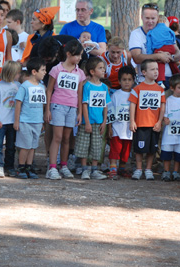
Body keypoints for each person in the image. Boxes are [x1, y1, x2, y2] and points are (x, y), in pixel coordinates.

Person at [45, 40, 86, 180]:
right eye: (78, 55)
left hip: (72, 108)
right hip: (57, 106)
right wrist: (48, 110)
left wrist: (79, 112)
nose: (79, 58)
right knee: (57, 137)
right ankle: (52, 167)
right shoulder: (56, 69)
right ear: (68, 54)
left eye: (81, 56)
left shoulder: (80, 73)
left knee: (67, 138)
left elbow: (80, 94)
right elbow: (49, 90)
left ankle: (64, 165)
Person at [128, 59, 166, 180]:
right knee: (139, 149)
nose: (156, 72)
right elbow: (132, 104)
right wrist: (132, 121)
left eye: (157, 69)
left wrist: (160, 121)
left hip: (154, 124)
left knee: (152, 149)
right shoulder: (137, 88)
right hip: (141, 124)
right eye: (152, 69)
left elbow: (162, 106)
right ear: (144, 72)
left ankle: (148, 169)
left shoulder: (160, 89)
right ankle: (139, 169)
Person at [74, 57, 110, 180]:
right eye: (100, 68)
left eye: (104, 68)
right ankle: (84, 169)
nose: (103, 70)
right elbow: (84, 104)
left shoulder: (104, 87)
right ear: (92, 71)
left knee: (96, 146)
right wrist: (87, 122)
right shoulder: (87, 86)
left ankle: (94, 170)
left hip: (99, 122)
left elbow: (105, 105)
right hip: (87, 122)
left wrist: (104, 121)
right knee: (84, 145)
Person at [129, 3, 180, 85]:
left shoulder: (165, 32)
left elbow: (179, 54)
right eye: (147, 18)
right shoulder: (136, 34)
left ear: (157, 18)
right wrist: (158, 56)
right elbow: (137, 58)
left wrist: (169, 57)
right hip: (146, 81)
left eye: (153, 18)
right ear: (141, 17)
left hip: (169, 79)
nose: (150, 21)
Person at [14, 57, 47, 179]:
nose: (45, 72)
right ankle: (21, 167)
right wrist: (17, 121)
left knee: (33, 146)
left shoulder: (42, 87)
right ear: (34, 72)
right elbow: (18, 103)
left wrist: (42, 120)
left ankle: (29, 166)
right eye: (43, 70)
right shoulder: (25, 86)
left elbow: (42, 104)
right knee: (25, 146)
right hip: (25, 121)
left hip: (37, 121)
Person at [0, 61, 22, 178]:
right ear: (11, 73)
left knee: (11, 146)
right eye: (17, 73)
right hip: (1, 121)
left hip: (13, 122)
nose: (19, 75)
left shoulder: (19, 86)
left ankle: (9, 166)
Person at [108, 65, 136, 180]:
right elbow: (110, 111)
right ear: (119, 81)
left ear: (134, 80)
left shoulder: (135, 94)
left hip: (129, 129)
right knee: (115, 149)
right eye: (124, 80)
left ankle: (122, 168)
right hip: (117, 128)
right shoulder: (116, 95)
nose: (127, 82)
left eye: (129, 80)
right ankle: (113, 168)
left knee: (126, 150)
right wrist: (109, 127)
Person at [146, 15, 180, 83]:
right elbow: (173, 34)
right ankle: (177, 74)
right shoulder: (168, 29)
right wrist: (172, 42)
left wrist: (150, 53)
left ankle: (160, 80)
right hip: (170, 47)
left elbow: (149, 42)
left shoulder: (152, 31)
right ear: (165, 21)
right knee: (171, 62)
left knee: (161, 63)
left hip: (159, 49)